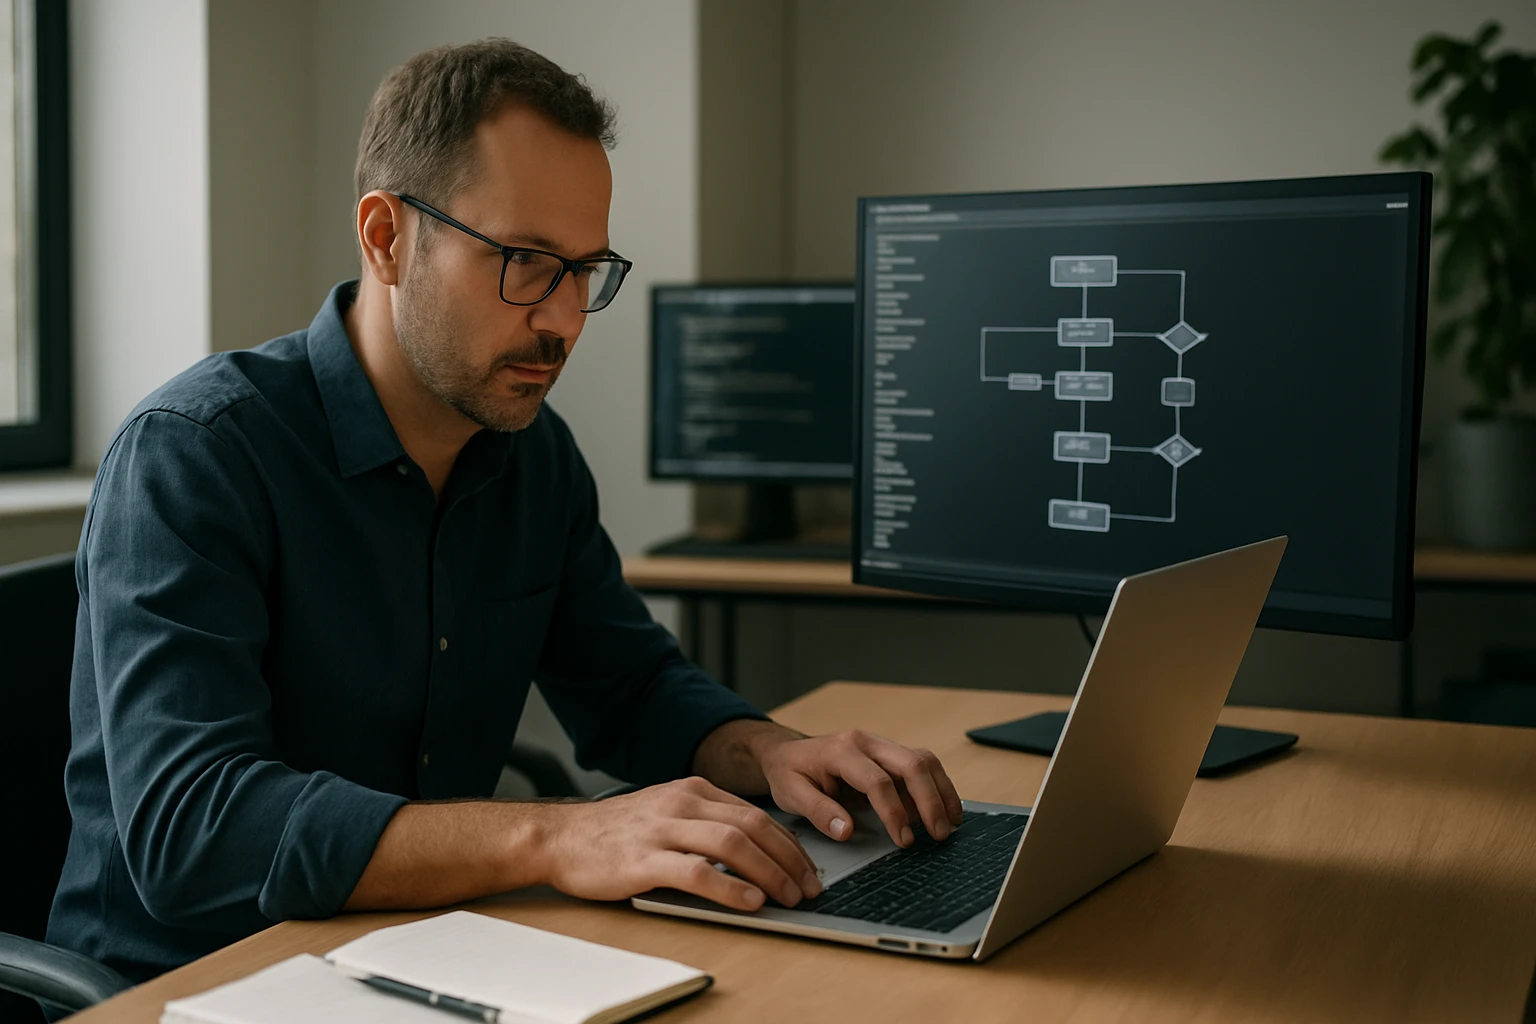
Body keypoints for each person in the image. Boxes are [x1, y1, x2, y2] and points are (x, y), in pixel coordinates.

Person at [46, 38, 962, 983]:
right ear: (386, 238)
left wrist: (775, 752)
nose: (565, 319)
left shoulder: (531, 454)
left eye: (584, 269)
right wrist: (554, 837)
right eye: (525, 261)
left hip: (426, 956)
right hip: (191, 983)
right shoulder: (195, 454)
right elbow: (194, 831)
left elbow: (629, 687)